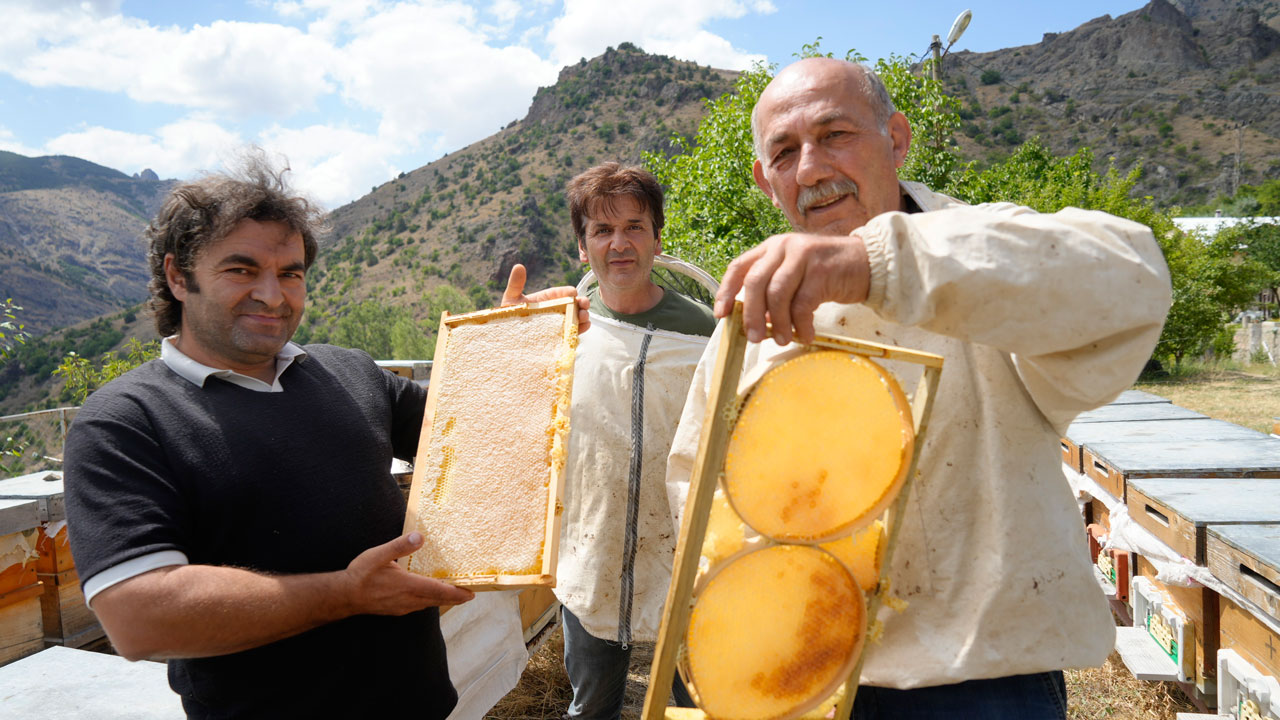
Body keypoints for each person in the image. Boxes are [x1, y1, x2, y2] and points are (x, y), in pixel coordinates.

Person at [666, 58, 1172, 719]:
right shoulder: (751, 319)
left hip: (975, 690)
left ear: (896, 139)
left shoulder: (982, 248)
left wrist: (875, 263)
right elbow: (697, 494)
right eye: (785, 153)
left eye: (835, 134)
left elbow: (1131, 280)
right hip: (795, 678)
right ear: (766, 182)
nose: (812, 169)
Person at [62, 154, 588, 719]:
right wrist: (346, 593)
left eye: (290, 272)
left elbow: (480, 434)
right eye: (241, 270)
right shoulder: (124, 421)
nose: (273, 294)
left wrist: (516, 346)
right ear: (177, 276)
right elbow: (138, 617)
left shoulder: (349, 372)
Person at [555, 163, 713, 719]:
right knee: (592, 705)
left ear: (656, 237)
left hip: (685, 550)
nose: (618, 244)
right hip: (587, 549)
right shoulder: (560, 333)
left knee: (700, 701)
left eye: (634, 227)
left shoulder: (706, 331)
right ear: (582, 247)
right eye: (602, 230)